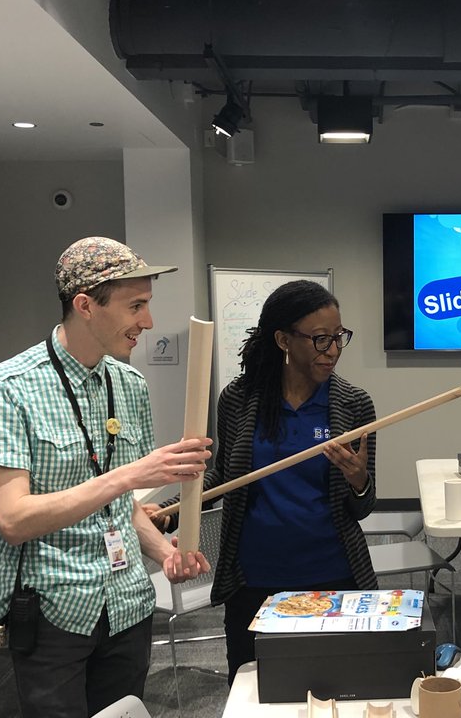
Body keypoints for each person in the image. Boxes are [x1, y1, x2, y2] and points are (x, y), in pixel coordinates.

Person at [0, 236, 212, 718]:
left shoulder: (126, 386)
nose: (148, 321)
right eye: (135, 306)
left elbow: (120, 507)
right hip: (52, 613)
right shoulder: (6, 388)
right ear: (85, 305)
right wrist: (131, 476)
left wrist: (162, 551)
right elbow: (14, 518)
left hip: (125, 605)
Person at [150, 280, 378, 681]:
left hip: (334, 575)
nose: (334, 351)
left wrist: (359, 480)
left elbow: (362, 507)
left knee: (340, 690)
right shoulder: (238, 399)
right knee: (254, 695)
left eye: (339, 338)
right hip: (255, 580)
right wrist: (172, 509)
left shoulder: (354, 404)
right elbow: (223, 475)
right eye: (320, 339)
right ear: (283, 340)